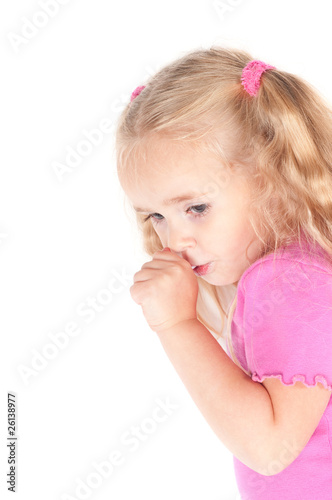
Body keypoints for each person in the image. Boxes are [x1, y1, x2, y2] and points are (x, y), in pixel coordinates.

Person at [115, 47, 332, 499]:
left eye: (196, 207)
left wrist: (177, 325)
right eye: (155, 216)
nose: (174, 240)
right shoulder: (298, 272)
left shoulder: (288, 281)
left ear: (271, 179)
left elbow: (270, 447)